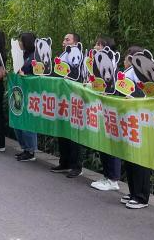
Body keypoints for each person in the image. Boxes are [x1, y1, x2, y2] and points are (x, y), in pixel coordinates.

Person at [88, 35, 124, 189]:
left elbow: (118, 90)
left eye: (99, 44)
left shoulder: (115, 69)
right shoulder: (96, 67)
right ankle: (107, 176)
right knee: (104, 144)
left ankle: (113, 179)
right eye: (96, 44)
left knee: (111, 144)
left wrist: (108, 93)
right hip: (102, 111)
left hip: (112, 113)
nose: (95, 47)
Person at [120, 46, 153, 208]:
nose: (124, 60)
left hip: (141, 120)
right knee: (130, 157)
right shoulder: (127, 73)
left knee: (140, 159)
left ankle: (141, 196)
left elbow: (146, 94)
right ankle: (133, 192)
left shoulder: (143, 72)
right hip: (129, 120)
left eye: (127, 57)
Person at [50, 32, 87, 177]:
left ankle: (76, 166)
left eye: (67, 39)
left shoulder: (79, 56)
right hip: (62, 99)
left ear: (76, 43)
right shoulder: (63, 55)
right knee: (63, 131)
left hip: (75, 99)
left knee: (74, 135)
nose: (64, 42)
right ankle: (64, 162)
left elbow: (78, 75)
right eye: (64, 39)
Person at [13, 32, 40, 162]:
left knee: (28, 123)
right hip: (20, 91)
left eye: (21, 41)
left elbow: (39, 76)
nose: (19, 43)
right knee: (19, 121)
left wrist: (26, 76)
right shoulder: (23, 55)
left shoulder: (36, 56)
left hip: (31, 93)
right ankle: (25, 148)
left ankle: (30, 150)